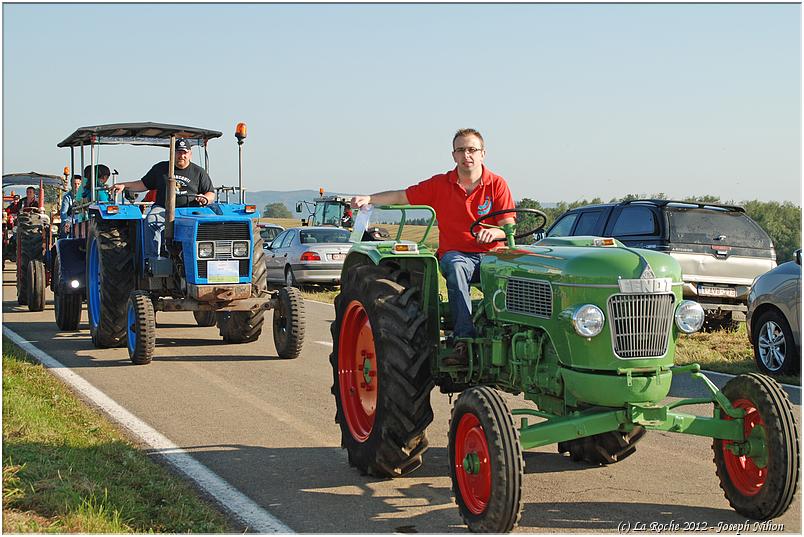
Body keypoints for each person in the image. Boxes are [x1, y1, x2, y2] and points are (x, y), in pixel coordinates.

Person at [351, 128, 515, 366]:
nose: (466, 155)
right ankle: (463, 341)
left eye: (472, 150)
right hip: (457, 254)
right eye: (461, 150)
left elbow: (508, 228)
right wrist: (370, 198)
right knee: (457, 268)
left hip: (491, 254)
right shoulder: (441, 184)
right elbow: (401, 196)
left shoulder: (497, 184)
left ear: (483, 154)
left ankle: (510, 336)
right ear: (453, 155)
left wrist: (494, 232)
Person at [109, 138, 214, 259]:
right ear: (173, 153)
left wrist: (205, 198)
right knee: (151, 220)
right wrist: (124, 185)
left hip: (189, 211)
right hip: (163, 209)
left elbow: (210, 193)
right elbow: (143, 184)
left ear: (190, 154)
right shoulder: (161, 168)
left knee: (206, 224)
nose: (182, 155)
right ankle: (153, 259)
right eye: (179, 152)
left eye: (184, 152)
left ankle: (204, 258)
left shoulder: (199, 172)